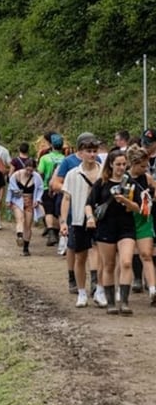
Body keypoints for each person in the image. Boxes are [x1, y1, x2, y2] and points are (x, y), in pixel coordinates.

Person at [85, 148, 141, 314]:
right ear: (111, 164)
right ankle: (110, 302)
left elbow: (138, 207)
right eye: (118, 164)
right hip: (106, 227)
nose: (121, 167)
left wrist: (125, 201)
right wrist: (90, 217)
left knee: (126, 262)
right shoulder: (102, 183)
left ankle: (124, 301)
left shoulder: (130, 183)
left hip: (126, 227)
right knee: (108, 265)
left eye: (124, 164)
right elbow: (89, 203)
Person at [59, 134, 104, 308]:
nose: (92, 155)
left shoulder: (103, 172)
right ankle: (81, 292)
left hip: (101, 220)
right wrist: (63, 222)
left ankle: (99, 290)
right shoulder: (72, 174)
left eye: (94, 151)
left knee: (101, 255)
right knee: (80, 257)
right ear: (81, 153)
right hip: (78, 219)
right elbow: (66, 199)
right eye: (88, 151)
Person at [125, 144, 156, 302]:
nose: (145, 169)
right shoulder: (124, 178)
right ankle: (121, 289)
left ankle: (152, 289)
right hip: (127, 220)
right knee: (125, 258)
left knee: (146, 254)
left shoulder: (147, 178)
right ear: (133, 163)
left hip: (144, 219)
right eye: (143, 166)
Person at [6, 158, 44, 256]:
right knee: (20, 219)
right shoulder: (16, 175)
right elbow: (10, 188)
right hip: (17, 201)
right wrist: (8, 200)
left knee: (28, 224)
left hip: (30, 201)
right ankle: (19, 235)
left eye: (31, 170)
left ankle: (26, 247)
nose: (29, 172)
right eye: (27, 170)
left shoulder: (37, 177)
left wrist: (38, 200)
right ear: (24, 167)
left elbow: (40, 189)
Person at [37, 134, 66, 246]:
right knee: (58, 211)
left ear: (51, 145)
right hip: (61, 188)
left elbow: (40, 172)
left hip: (46, 187)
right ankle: (62, 233)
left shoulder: (45, 158)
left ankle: (51, 233)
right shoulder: (65, 159)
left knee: (48, 210)